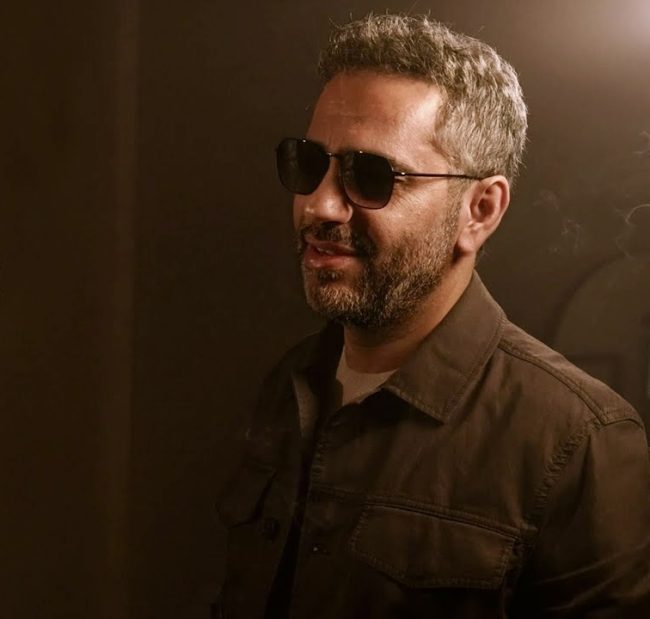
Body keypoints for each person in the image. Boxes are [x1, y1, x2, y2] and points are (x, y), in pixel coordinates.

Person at [216, 13, 650, 619]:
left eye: (372, 176)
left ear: (480, 210)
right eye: (310, 163)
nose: (319, 205)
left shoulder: (580, 443)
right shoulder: (291, 386)